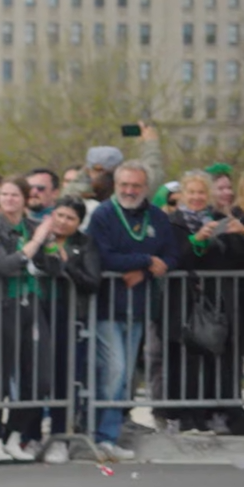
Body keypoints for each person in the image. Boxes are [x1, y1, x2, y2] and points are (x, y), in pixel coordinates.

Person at [85, 162, 179, 460]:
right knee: (114, 370)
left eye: (136, 185)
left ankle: (109, 435)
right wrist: (145, 260)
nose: (129, 190)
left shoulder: (157, 217)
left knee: (126, 375)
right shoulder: (103, 214)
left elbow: (172, 254)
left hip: (139, 308)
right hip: (106, 307)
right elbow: (103, 256)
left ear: (145, 188)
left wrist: (146, 271)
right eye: (124, 184)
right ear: (116, 185)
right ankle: (99, 435)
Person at [160, 170, 244, 434]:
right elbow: (172, 258)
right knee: (183, 358)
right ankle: (182, 414)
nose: (197, 197)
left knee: (216, 357)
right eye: (191, 192)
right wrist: (196, 241)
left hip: (215, 302)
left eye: (201, 192)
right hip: (180, 301)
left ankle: (214, 412)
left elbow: (235, 260)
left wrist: (241, 233)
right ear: (182, 195)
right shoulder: (171, 222)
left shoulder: (220, 219)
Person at [0, 179, 52, 462]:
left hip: (32, 304)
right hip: (1, 306)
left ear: (25, 198)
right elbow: (3, 265)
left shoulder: (33, 226)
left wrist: (50, 246)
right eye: (3, 194)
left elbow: (52, 265)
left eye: (14, 194)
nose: (8, 199)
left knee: (40, 378)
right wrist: (36, 242)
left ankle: (14, 436)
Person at [29, 197, 102, 461]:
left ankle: (60, 436)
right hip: (37, 313)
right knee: (36, 377)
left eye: (70, 218)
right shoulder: (39, 237)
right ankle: (30, 436)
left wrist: (67, 264)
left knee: (64, 378)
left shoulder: (85, 243)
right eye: (59, 215)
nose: (62, 221)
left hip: (69, 316)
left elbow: (92, 281)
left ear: (79, 222)